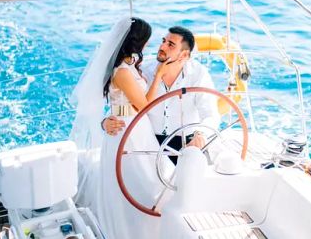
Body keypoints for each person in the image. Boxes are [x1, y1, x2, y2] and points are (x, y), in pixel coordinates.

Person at [70, 17, 170, 239]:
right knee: (137, 184)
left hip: (136, 127)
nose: (147, 45)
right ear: (137, 42)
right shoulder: (123, 72)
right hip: (127, 131)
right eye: (146, 40)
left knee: (147, 180)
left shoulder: (130, 65)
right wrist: (159, 77)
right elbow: (143, 105)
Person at [102, 26, 219, 164]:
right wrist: (104, 122)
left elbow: (210, 114)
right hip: (149, 144)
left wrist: (201, 134)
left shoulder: (198, 74)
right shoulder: (143, 70)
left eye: (170, 45)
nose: (162, 46)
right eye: (163, 41)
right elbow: (123, 99)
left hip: (187, 143)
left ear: (184, 55)